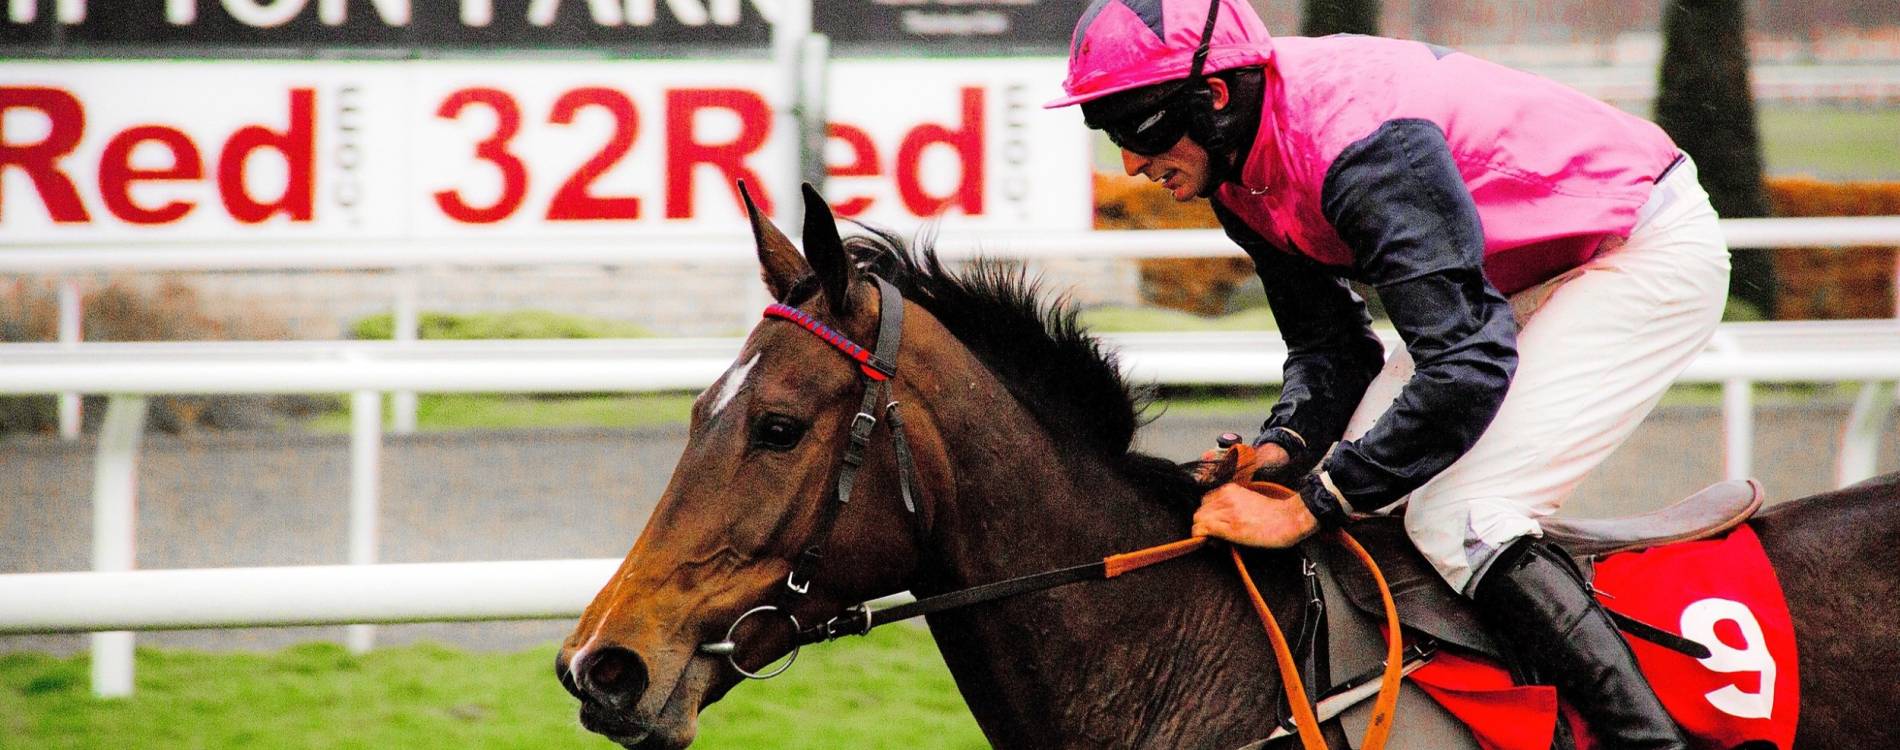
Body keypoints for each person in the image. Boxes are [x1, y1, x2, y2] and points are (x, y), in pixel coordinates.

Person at [1046, 1, 1732, 747]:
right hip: (1518, 273)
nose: (1130, 163)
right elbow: (1333, 346)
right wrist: (1283, 448)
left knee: (1462, 515)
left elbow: (1467, 362)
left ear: (1211, 97)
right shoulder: (1239, 166)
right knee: (1376, 502)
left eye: (1132, 127)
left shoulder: (1360, 146)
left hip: (1636, 247)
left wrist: (1312, 502)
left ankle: (1647, 740)